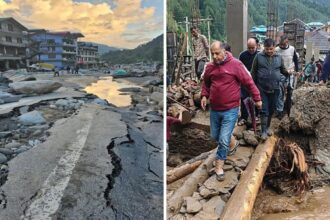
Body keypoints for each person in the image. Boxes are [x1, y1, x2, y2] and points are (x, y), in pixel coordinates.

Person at [201, 41, 262, 181]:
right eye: (212, 54)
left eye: (217, 53)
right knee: (215, 136)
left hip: (231, 108)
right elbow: (206, 83)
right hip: (215, 109)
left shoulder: (236, 65)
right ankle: (233, 143)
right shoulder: (210, 67)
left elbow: (249, 82)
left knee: (222, 139)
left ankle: (219, 166)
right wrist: (204, 95)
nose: (215, 57)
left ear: (224, 52)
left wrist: (257, 98)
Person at [251, 38, 289, 141]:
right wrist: (252, 87)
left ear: (274, 48)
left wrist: (286, 74)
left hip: (275, 88)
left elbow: (283, 70)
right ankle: (263, 131)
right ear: (264, 47)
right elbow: (253, 72)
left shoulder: (279, 57)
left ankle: (267, 127)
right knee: (264, 110)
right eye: (267, 49)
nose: (269, 51)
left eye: (271, 49)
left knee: (272, 109)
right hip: (261, 88)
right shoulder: (258, 57)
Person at [275, 35, 299, 118]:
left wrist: (297, 70)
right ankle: (279, 110)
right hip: (281, 73)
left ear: (287, 42)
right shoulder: (277, 50)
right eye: (281, 44)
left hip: (290, 72)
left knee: (290, 90)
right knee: (280, 92)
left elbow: (295, 60)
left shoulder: (292, 49)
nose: (282, 46)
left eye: (284, 44)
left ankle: (289, 109)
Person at [238, 37, 259, 125]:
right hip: (244, 81)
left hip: (256, 81)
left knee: (256, 98)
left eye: (252, 48)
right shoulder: (242, 55)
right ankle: (244, 117)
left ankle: (256, 116)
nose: (251, 50)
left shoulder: (260, 55)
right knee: (244, 98)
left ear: (257, 46)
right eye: (249, 48)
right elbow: (239, 68)